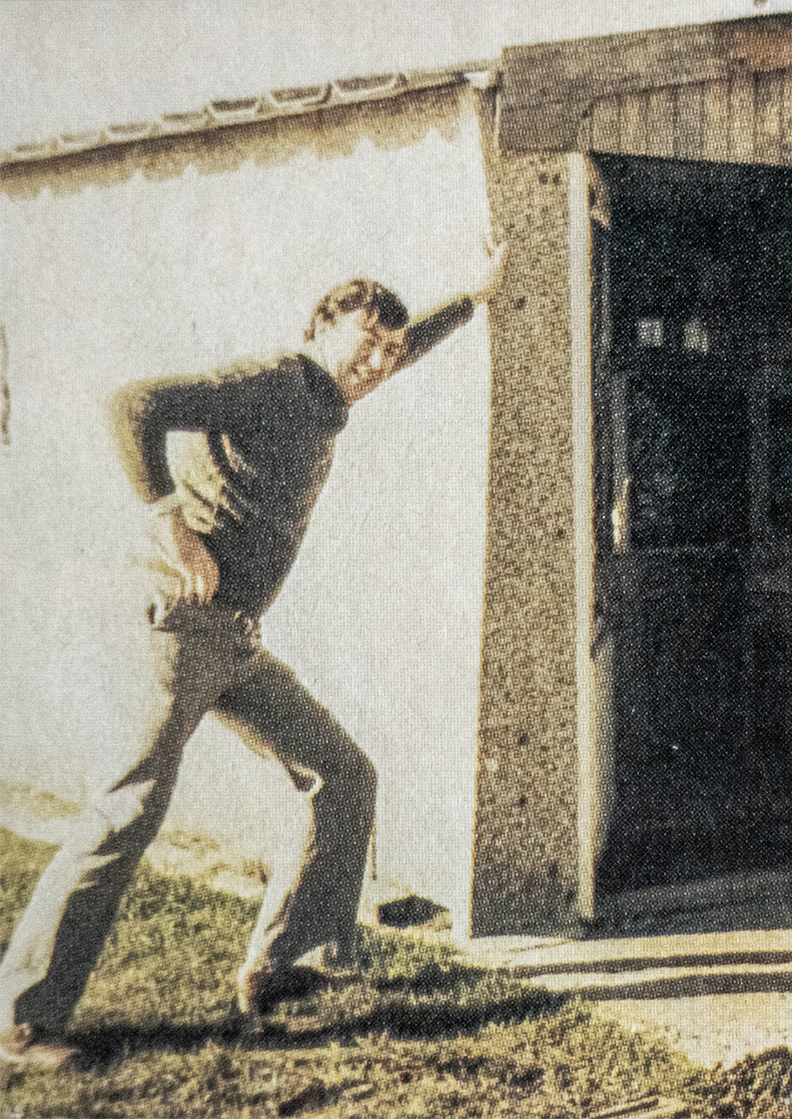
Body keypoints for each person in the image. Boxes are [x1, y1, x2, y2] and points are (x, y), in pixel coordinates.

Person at [0, 243, 507, 1067]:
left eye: (389, 349)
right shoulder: (276, 381)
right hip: (179, 627)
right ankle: (20, 1017)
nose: (379, 362)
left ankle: (288, 966)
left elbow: (405, 343)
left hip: (233, 639)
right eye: (366, 342)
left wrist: (474, 296)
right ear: (320, 328)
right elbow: (132, 405)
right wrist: (171, 524)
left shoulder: (327, 398)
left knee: (342, 774)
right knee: (128, 808)